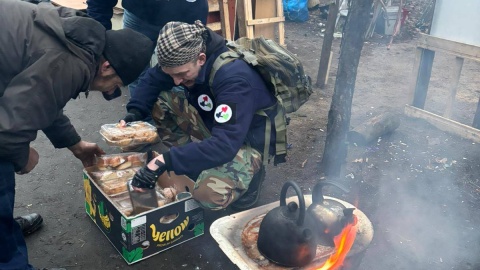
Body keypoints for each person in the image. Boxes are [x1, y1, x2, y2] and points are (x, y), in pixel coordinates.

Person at [0, 1, 154, 269]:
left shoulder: (79, 36)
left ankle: (5, 233)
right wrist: (21, 155)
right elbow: (8, 131)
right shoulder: (71, 62)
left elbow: (43, 96)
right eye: (114, 84)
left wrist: (74, 143)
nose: (105, 91)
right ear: (106, 66)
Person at [128, 21, 285, 211]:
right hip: (217, 125)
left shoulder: (234, 79)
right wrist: (134, 112)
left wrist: (164, 161)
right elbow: (153, 78)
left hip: (247, 141)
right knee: (161, 100)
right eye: (171, 75)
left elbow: (224, 145)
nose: (177, 81)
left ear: (201, 59)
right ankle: (192, 164)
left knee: (208, 195)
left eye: (182, 74)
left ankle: (251, 179)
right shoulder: (182, 61)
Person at [86, 0, 209, 96]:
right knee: (135, 73)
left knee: (181, 78)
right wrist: (97, 41)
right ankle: (141, 123)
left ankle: (181, 124)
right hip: (139, 16)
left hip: (186, 20)